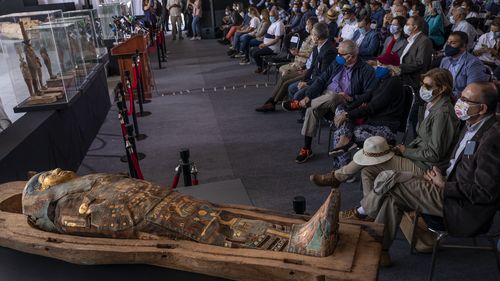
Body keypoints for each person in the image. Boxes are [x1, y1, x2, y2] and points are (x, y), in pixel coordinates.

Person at [345, 82, 500, 266]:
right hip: (445, 188)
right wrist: (438, 173)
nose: (459, 102)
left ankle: (363, 214)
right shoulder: (471, 125)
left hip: (461, 208)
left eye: (466, 100)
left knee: (390, 179)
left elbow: (486, 192)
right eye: (461, 97)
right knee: (392, 194)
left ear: (482, 108)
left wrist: (444, 185)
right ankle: (379, 252)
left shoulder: (492, 138)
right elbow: (456, 163)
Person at [23, 169, 342, 257]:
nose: (54, 171)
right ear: (46, 188)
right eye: (49, 175)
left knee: (220, 218)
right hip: (146, 213)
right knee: (217, 230)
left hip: (154, 200)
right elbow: (106, 221)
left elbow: (119, 184)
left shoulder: (81, 184)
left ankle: (292, 234)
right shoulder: (59, 206)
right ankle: (298, 245)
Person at [311, 68, 461, 221]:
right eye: (423, 84)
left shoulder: (443, 113)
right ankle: (368, 209)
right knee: (368, 169)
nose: (423, 89)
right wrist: (401, 149)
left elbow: (435, 154)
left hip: (426, 166)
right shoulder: (432, 105)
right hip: (418, 157)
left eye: (428, 86)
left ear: (442, 89)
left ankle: (356, 200)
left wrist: (405, 151)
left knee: (369, 163)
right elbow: (424, 139)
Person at [284, 40, 378, 163]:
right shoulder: (337, 63)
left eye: (340, 54)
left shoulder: (366, 70)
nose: (337, 56)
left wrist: (351, 98)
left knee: (334, 96)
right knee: (312, 110)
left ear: (350, 57)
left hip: (345, 101)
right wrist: (308, 96)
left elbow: (368, 94)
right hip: (324, 97)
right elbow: (322, 79)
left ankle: (300, 104)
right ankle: (307, 148)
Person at [329, 51, 405, 158]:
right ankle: (343, 150)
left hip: (385, 126)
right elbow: (366, 97)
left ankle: (341, 170)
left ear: (392, 67)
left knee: (342, 132)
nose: (378, 67)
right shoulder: (382, 80)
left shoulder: (394, 83)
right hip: (371, 121)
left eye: (382, 65)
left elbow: (372, 107)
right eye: (378, 64)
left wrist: (347, 115)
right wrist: (347, 110)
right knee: (341, 109)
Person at [255, 17, 319, 112]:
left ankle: (272, 103)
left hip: (305, 68)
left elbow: (310, 58)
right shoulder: (308, 37)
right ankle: (271, 100)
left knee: (286, 81)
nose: (306, 26)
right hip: (303, 66)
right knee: (283, 77)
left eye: (308, 24)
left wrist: (300, 60)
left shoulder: (316, 42)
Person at [440, 31, 490, 100]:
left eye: (453, 43)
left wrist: (448, 95)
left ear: (463, 46)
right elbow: (439, 80)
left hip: (462, 101)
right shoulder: (445, 60)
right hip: (444, 98)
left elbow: (472, 91)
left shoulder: (473, 63)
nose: (448, 46)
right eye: (448, 43)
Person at [250, 9, 285, 74]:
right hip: (268, 45)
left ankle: (263, 67)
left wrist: (265, 45)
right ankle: (264, 66)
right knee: (252, 50)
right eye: (270, 16)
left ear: (277, 15)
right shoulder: (273, 23)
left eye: (272, 16)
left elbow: (276, 39)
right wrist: (264, 43)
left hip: (273, 48)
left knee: (255, 53)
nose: (270, 17)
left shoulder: (279, 24)